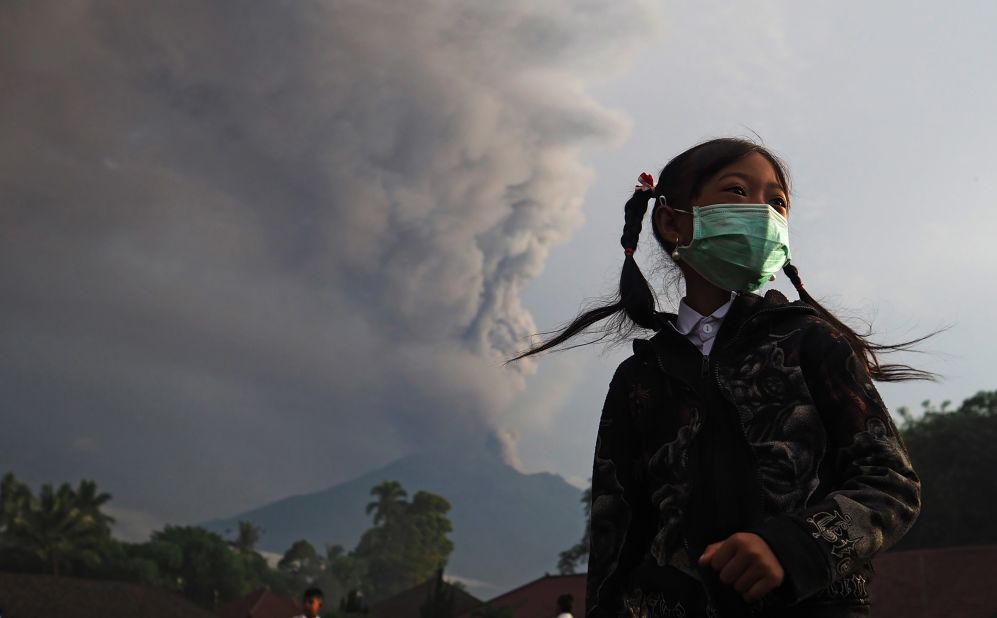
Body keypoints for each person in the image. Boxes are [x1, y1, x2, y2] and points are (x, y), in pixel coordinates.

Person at [512, 138, 930, 617]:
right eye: (737, 191)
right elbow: (615, 534)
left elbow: (890, 481)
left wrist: (793, 549)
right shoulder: (639, 378)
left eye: (777, 202)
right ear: (672, 222)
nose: (763, 212)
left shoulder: (811, 343)